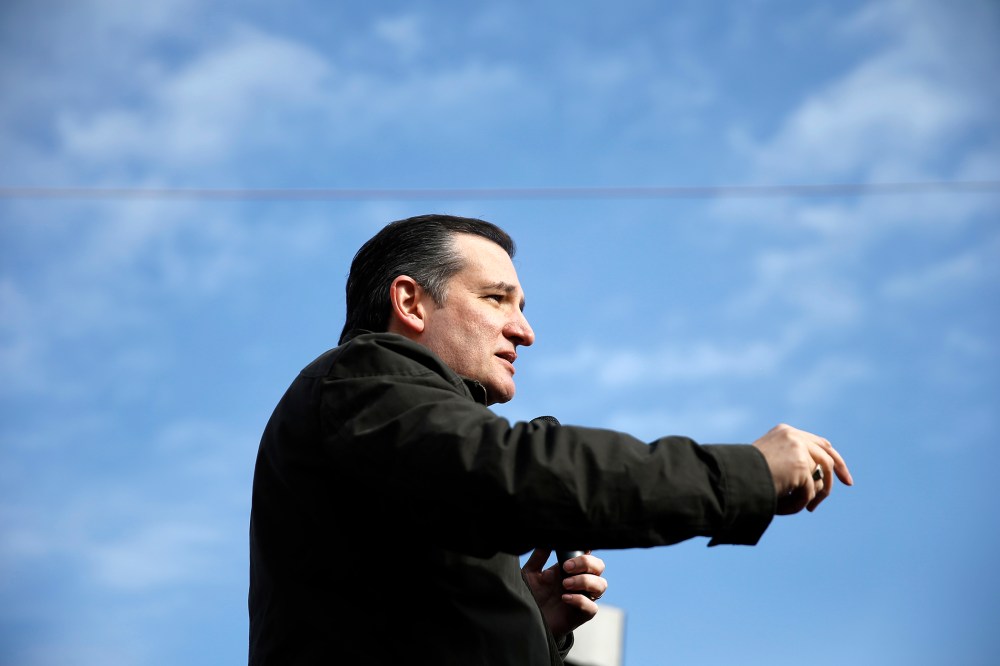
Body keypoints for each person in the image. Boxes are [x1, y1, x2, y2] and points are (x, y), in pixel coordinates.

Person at [248, 214, 853, 665]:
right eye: (495, 299)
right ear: (409, 301)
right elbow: (517, 471)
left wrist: (525, 627)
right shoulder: (360, 380)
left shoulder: (392, 438)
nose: (526, 330)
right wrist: (747, 473)